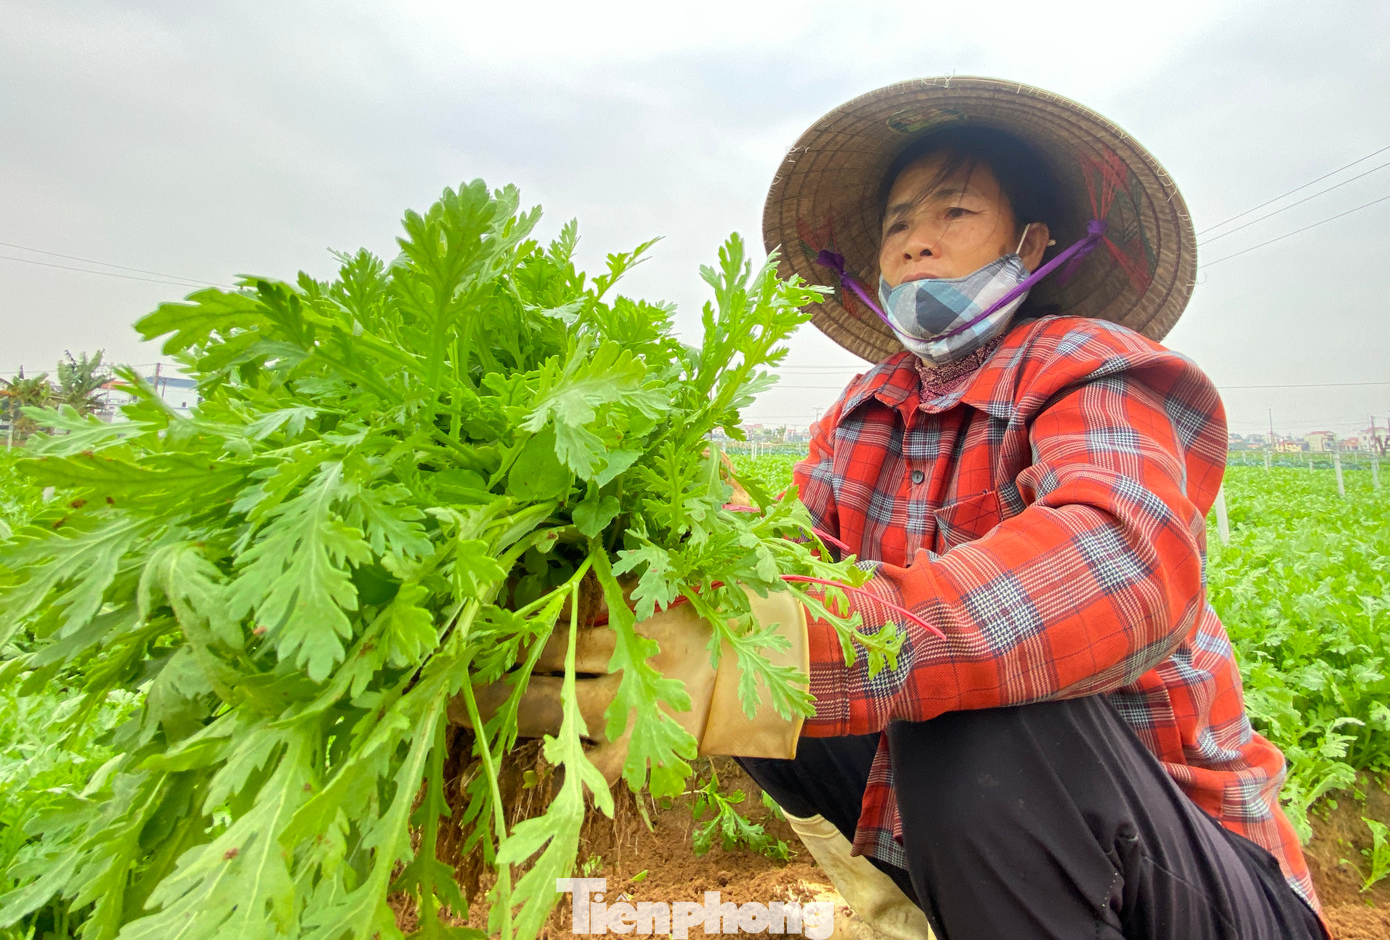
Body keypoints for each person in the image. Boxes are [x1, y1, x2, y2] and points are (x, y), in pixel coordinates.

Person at [468, 77, 1328, 939]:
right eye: (897, 225)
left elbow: (1122, 563)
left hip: (1195, 875)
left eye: (955, 214)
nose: (918, 242)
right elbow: (778, 566)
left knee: (968, 711)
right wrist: (680, 500)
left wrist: (827, 646)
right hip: (987, 847)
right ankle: (921, 917)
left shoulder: (1091, 363)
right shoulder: (863, 411)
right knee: (761, 685)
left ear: (1030, 247)